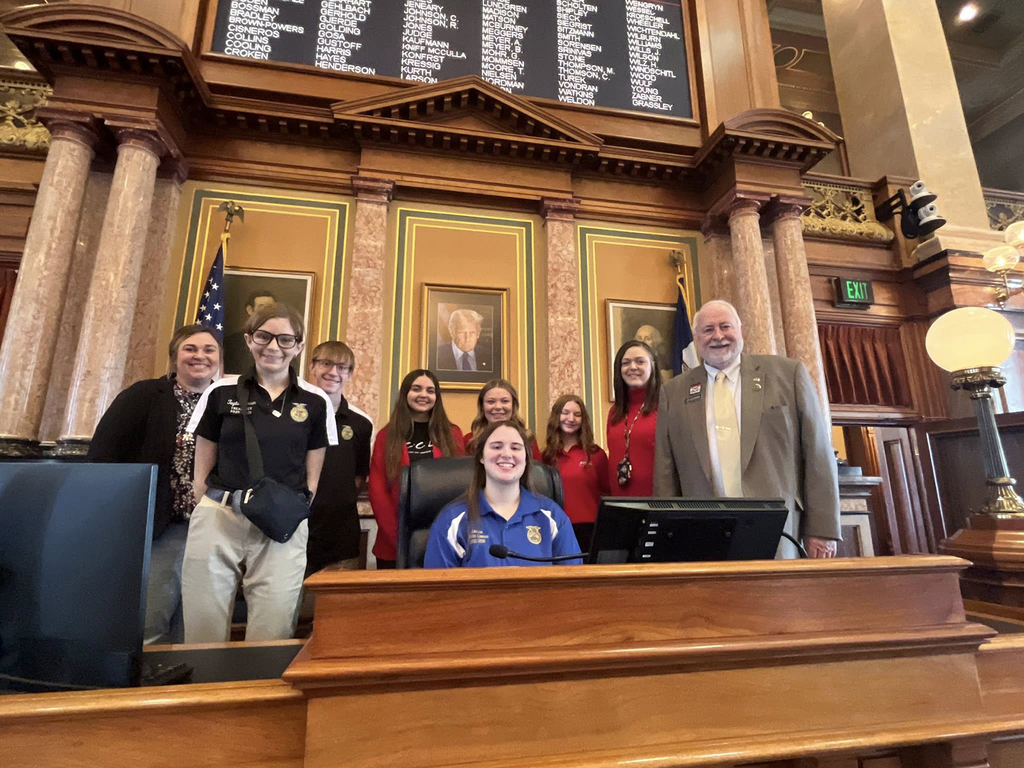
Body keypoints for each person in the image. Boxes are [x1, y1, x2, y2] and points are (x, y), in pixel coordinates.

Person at [183, 302, 336, 641]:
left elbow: (315, 462)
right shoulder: (220, 390)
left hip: (280, 523)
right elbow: (204, 452)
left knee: (273, 624)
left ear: (298, 346)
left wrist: (302, 503)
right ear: (249, 340)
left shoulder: (314, 401)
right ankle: (206, 692)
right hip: (220, 515)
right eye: (264, 336)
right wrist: (201, 499)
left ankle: (261, 692)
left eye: (285, 339)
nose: (273, 347)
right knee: (202, 624)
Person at [653, 299, 841, 559]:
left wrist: (823, 529)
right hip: (704, 533)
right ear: (696, 338)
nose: (718, 336)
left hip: (780, 530)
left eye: (725, 326)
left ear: (740, 330)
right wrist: (667, 533)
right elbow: (665, 472)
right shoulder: (674, 391)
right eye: (708, 330)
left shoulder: (787, 374)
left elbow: (818, 453)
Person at [88, 324, 221, 644]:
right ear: (175, 355)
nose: (200, 355)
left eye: (209, 349)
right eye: (191, 348)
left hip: (214, 526)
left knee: (199, 621)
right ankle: (146, 689)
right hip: (161, 525)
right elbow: (103, 455)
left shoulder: (226, 403)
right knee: (153, 618)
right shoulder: (145, 395)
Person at [425, 421, 582, 568]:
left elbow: (574, 584)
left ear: (526, 458)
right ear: (481, 457)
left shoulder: (552, 516)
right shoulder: (452, 519)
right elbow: (436, 591)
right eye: (496, 447)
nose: (507, 454)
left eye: (515, 448)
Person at [368, 369, 464, 568]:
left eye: (430, 390)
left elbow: (460, 488)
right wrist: (399, 538)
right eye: (416, 389)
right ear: (405, 394)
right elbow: (378, 490)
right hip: (393, 540)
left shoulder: (452, 434)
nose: (423, 395)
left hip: (443, 537)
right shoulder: (387, 435)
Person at [305, 341, 373, 575]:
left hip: (340, 532)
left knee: (336, 607)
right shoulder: (294, 415)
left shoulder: (362, 423)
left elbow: (359, 475)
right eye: (326, 363)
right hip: (296, 527)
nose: (333, 372)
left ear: (350, 374)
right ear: (312, 367)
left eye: (342, 367)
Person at [542, 394, 610, 552]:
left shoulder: (596, 454)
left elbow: (607, 494)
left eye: (577, 414)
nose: (570, 418)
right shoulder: (547, 456)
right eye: (565, 413)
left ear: (583, 420)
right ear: (556, 416)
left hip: (590, 528)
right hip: (556, 526)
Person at [606, 340, 661, 497]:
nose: (632, 367)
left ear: (653, 366)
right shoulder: (614, 412)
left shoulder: (665, 406)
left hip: (656, 503)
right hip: (620, 504)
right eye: (626, 363)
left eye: (640, 361)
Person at [463, 378, 542, 459]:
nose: (498, 407)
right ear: (482, 406)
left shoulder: (527, 438)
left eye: (504, 401)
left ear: (513, 405)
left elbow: (537, 470)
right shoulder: (470, 441)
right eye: (491, 402)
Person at [223, 289, 276, 373]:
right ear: (250, 310)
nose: (267, 312)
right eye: (262, 307)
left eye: (270, 307)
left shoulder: (282, 341)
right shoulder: (231, 343)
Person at [436, 308, 492, 372]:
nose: (467, 338)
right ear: (452, 332)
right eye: (462, 332)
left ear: (478, 334)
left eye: (472, 333)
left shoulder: (488, 355)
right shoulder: (438, 356)